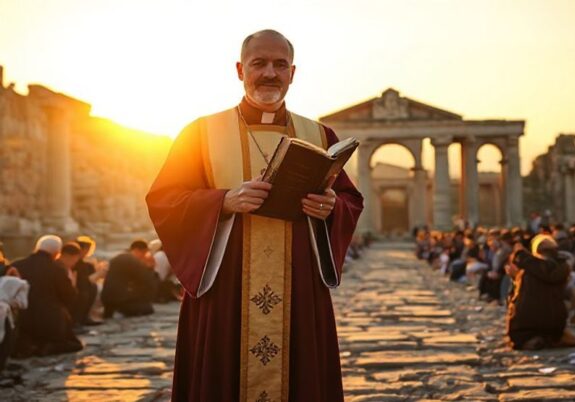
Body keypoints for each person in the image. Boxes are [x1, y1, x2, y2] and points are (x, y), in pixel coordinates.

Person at [145, 30, 363, 401]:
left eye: (280, 65)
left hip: (298, 289)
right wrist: (224, 201)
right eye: (258, 63)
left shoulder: (319, 134)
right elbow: (165, 198)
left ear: (292, 73)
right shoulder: (200, 133)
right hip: (226, 288)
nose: (269, 73)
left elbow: (348, 199)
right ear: (239, 69)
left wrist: (330, 209)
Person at [12, 235, 82, 357]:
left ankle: (30, 347)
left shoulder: (17, 266)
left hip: (24, 321)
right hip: (50, 322)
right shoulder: (57, 268)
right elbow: (70, 297)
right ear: (56, 253)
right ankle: (48, 347)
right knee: (75, 344)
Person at [505, 234, 569, 349]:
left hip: (527, 326)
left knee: (519, 333)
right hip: (554, 324)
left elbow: (516, 299)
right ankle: (546, 338)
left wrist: (515, 279)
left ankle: (533, 340)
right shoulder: (563, 267)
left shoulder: (527, 269)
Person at [101, 240, 158, 318]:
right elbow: (147, 280)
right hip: (120, 299)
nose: (144, 256)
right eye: (144, 253)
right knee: (148, 309)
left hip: (108, 298)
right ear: (137, 250)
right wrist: (150, 268)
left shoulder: (120, 257)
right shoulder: (131, 260)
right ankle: (120, 311)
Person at [71, 236, 100, 326]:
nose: (88, 252)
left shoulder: (87, 264)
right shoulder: (74, 263)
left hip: (84, 289)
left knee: (93, 288)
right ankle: (79, 319)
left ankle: (85, 317)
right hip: (75, 290)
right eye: (86, 249)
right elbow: (84, 281)